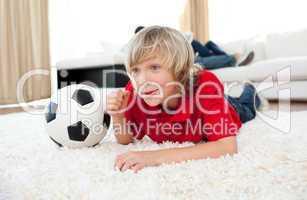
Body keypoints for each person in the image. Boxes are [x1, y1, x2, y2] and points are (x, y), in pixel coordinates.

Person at [107, 26, 265, 173]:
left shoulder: (205, 84)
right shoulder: (135, 91)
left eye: (154, 67)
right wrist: (118, 116)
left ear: (180, 69)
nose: (142, 80)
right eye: (135, 70)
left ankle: (250, 90)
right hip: (207, 102)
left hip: (227, 106)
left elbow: (227, 146)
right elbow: (126, 140)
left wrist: (153, 157)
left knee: (247, 108)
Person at [134, 26, 254, 70]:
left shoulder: (159, 39)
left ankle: (228, 59)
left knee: (207, 44)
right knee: (200, 60)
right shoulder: (141, 48)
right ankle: (232, 59)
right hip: (184, 61)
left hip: (186, 55)